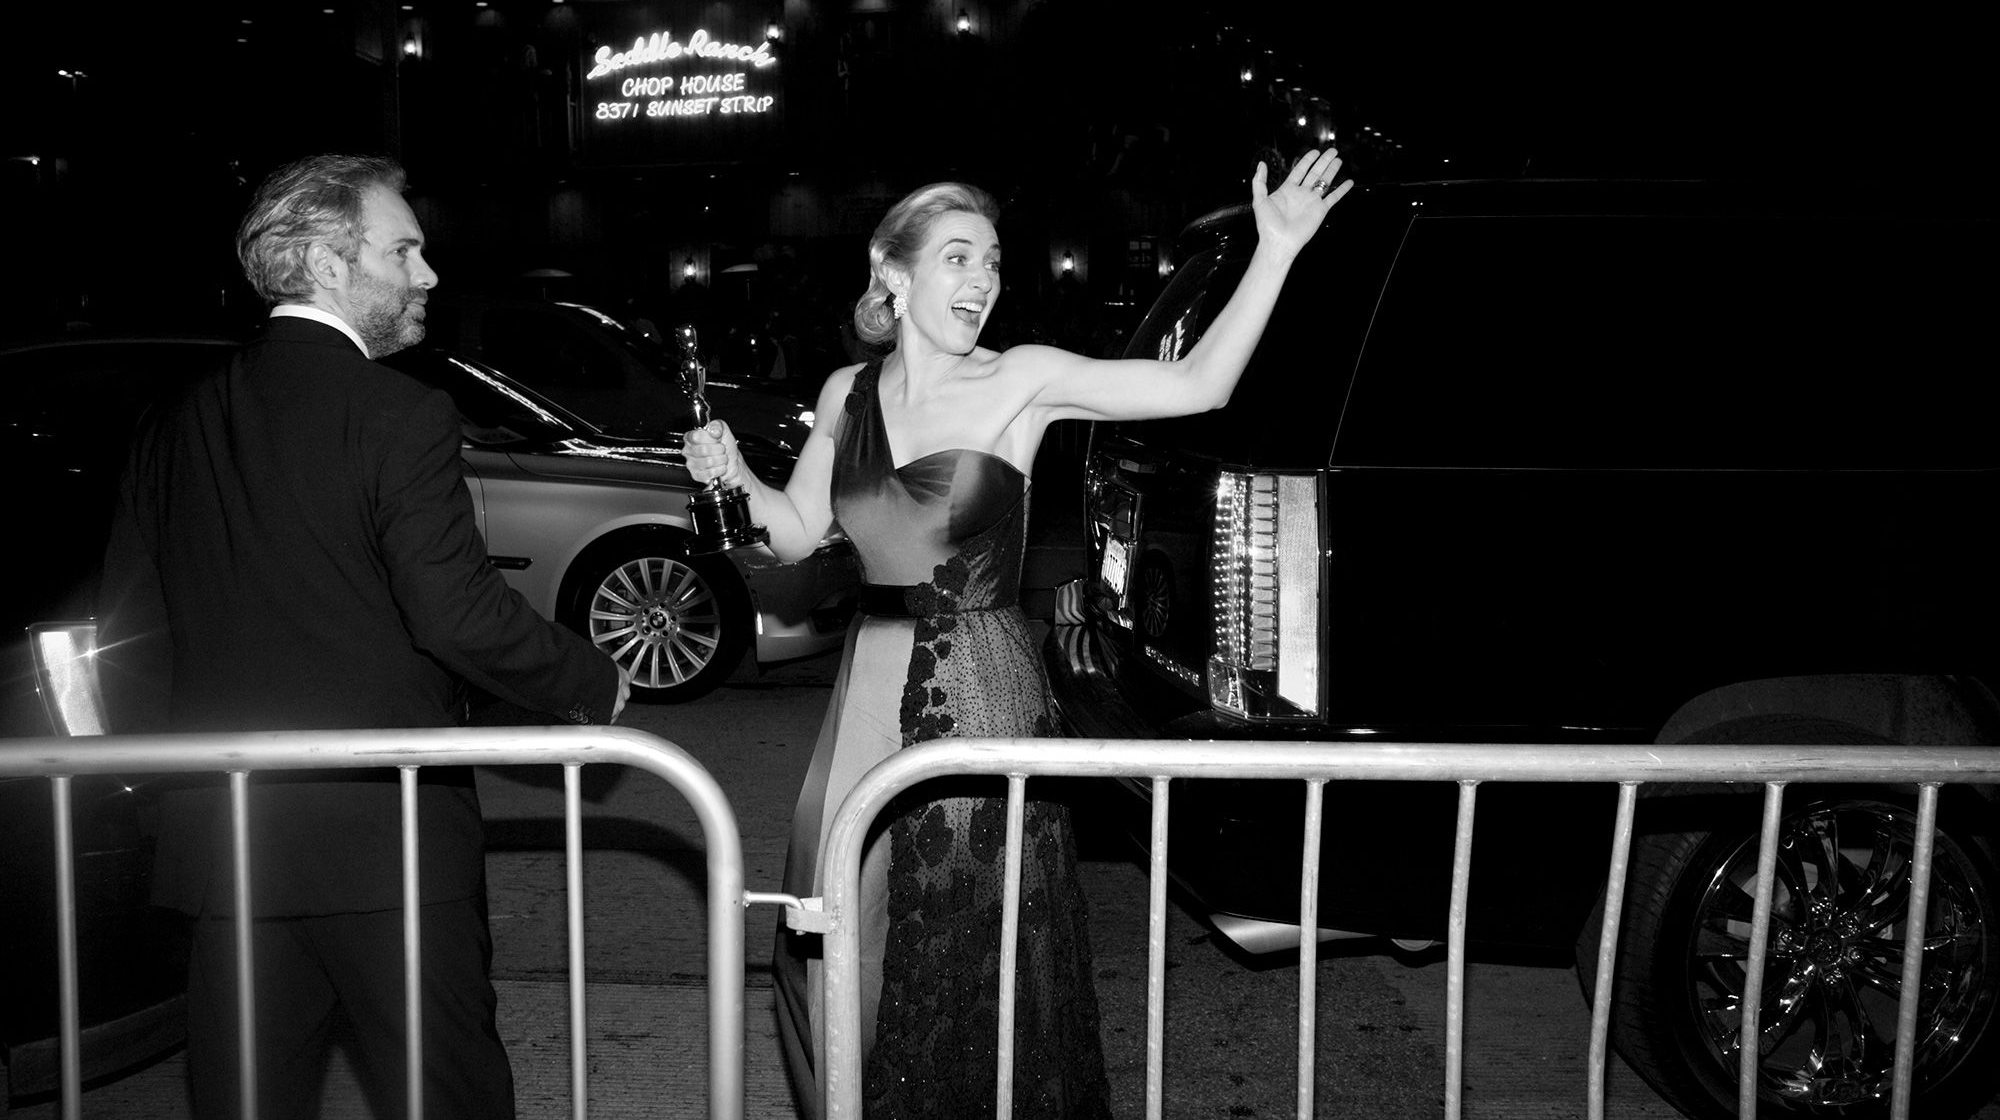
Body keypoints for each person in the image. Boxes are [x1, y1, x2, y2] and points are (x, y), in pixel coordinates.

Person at [684, 148, 1353, 1117]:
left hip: (976, 683)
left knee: (961, 944)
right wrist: (732, 473)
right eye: (957, 257)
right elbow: (792, 531)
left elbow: (1200, 384)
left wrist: (1276, 250)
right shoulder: (845, 394)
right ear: (893, 272)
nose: (983, 279)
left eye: (992, 261)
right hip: (865, 685)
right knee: (834, 921)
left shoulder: (1021, 379)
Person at [98, 153, 628, 1120]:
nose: (428, 273)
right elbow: (457, 612)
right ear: (327, 264)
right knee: (452, 1098)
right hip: (390, 845)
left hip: (229, 848)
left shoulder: (173, 420)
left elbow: (129, 641)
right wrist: (590, 680)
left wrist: (168, 799)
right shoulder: (399, 413)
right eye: (403, 250)